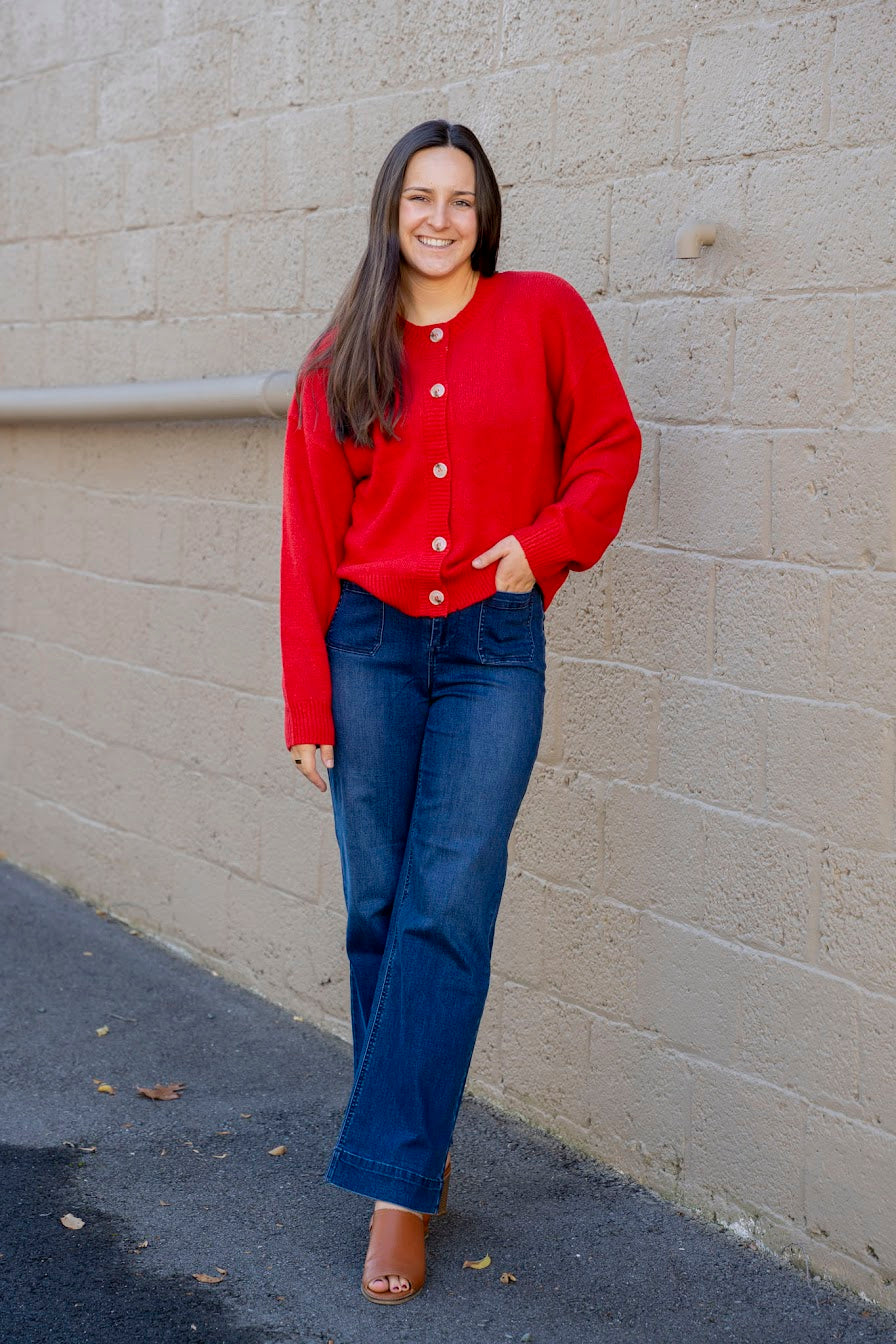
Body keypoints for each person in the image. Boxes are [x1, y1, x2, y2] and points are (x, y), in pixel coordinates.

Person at [279, 119, 641, 1304]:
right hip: (369, 652)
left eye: (461, 201)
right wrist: (306, 702)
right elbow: (308, 546)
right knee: (378, 907)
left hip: (491, 647)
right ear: (388, 212)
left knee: (447, 902)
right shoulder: (340, 359)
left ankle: (393, 1192)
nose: (439, 219)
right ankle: (414, 1149)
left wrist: (541, 551)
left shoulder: (542, 314)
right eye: (419, 199)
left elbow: (606, 447)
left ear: (484, 216)